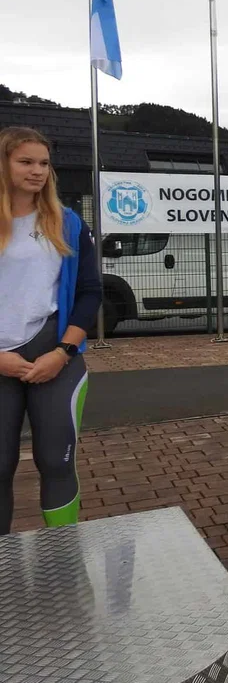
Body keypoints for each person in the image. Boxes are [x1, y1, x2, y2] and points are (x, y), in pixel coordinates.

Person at [0, 126, 102, 535]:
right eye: (26, 161)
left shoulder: (68, 222)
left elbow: (89, 293)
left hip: (54, 358)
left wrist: (62, 352)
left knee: (56, 460)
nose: (38, 171)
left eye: (44, 163)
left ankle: (62, 558)